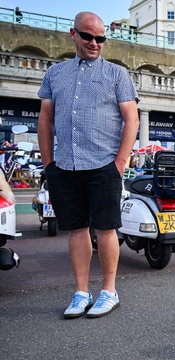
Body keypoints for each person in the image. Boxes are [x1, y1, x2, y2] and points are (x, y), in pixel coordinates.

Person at [37, 12, 139, 318]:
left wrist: (120, 162)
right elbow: (45, 119)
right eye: (88, 37)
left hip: (103, 164)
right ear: (73, 34)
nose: (95, 43)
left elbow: (131, 119)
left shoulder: (117, 75)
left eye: (101, 38)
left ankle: (109, 291)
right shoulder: (55, 74)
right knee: (76, 230)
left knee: (107, 229)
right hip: (65, 165)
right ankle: (81, 292)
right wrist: (47, 163)